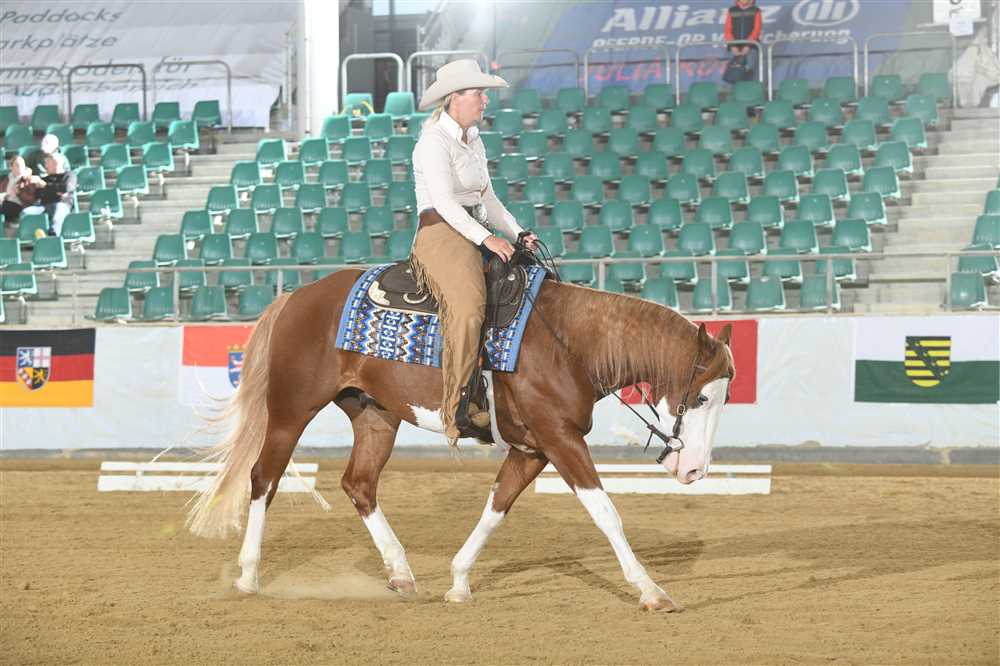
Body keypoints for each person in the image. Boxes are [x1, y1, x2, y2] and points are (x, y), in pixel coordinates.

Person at [411, 58, 538, 445]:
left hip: (472, 228)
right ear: (455, 98)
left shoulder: (474, 140)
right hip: (441, 232)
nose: (485, 99)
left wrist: (517, 233)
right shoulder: (433, 142)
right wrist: (486, 239)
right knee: (467, 307)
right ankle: (458, 405)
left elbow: (489, 199)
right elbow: (445, 203)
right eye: (479, 93)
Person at [21, 154, 76, 236]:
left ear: (56, 163)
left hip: (62, 204)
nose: (46, 166)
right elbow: (38, 194)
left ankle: (53, 235)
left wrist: (45, 186)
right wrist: (56, 191)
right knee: (26, 212)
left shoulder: (69, 175)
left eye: (48, 163)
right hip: (44, 206)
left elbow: (66, 188)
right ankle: (31, 235)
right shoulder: (44, 179)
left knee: (58, 209)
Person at [723, 0, 762, 82]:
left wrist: (748, 45)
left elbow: (757, 29)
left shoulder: (756, 10)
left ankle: (750, 90)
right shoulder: (732, 10)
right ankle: (733, 89)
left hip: (752, 47)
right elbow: (727, 29)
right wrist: (733, 46)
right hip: (733, 48)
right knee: (732, 73)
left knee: (750, 72)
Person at [0, 155, 36, 223]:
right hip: (5, 204)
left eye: (22, 165)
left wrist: (19, 193)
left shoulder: (28, 180)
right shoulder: (6, 179)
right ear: (11, 167)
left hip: (19, 206)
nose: (20, 167)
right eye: (17, 165)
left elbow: (32, 199)